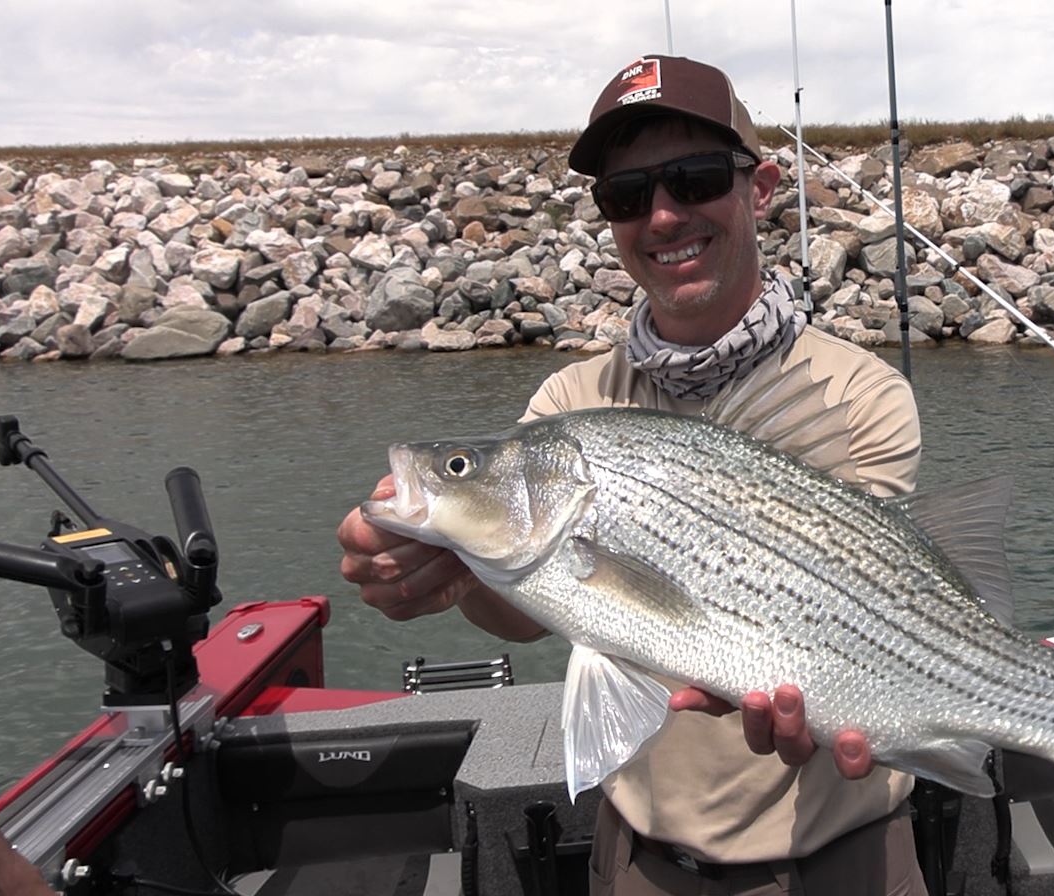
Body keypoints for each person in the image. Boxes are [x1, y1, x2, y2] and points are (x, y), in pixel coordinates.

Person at [338, 54, 926, 896]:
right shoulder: (570, 400)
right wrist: (450, 574)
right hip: (643, 858)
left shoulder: (855, 392)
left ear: (759, 190)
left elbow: (857, 608)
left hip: (849, 854)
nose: (661, 215)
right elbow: (532, 611)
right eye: (625, 195)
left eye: (692, 180)